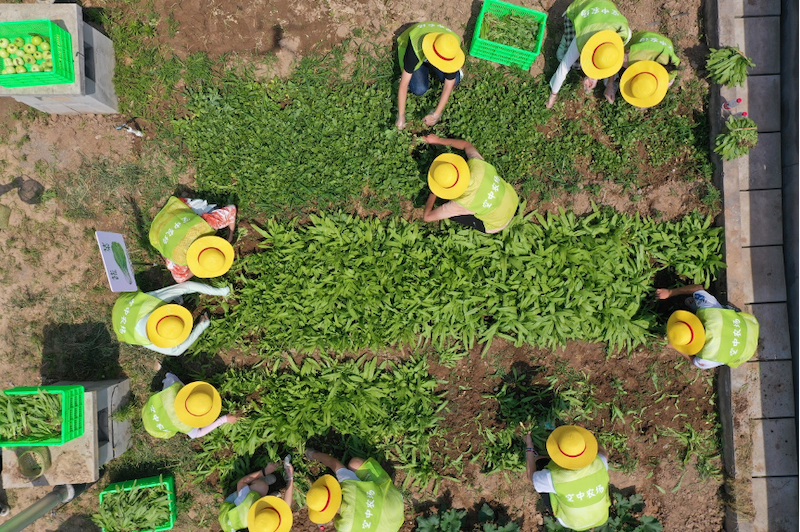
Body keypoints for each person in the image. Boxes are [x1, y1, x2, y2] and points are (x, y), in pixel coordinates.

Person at [421, 135, 519, 233]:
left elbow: (427, 217)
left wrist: (434, 192)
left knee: (453, 214)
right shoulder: (477, 165)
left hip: (498, 223)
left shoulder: (460, 204)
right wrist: (438, 140)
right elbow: (466, 145)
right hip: (512, 197)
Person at [546, 0, 631, 108]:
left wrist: (595, 77)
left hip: (602, 6)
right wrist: (553, 96)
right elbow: (563, 67)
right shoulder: (583, 38)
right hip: (579, 8)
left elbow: (607, 58)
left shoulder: (624, 33)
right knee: (576, 64)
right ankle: (564, 41)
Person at [525, 425, 610, 531]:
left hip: (571, 522)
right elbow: (604, 453)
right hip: (601, 517)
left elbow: (531, 476)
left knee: (540, 463)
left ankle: (539, 457)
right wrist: (590, 441)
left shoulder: (553, 477)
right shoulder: (600, 463)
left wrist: (529, 446)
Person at [111, 281, 230, 356]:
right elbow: (176, 351)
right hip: (123, 319)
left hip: (125, 302)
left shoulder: (151, 301)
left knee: (159, 294)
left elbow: (177, 351)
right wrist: (200, 327)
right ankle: (174, 298)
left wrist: (221, 291)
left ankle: (175, 298)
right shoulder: (146, 339)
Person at [656, 284, 759, 369]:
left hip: (745, 354)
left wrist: (676, 347)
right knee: (719, 309)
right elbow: (698, 288)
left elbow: (695, 362)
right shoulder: (710, 312)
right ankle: (698, 303)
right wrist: (670, 292)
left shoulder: (706, 356)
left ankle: (698, 304)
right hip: (750, 326)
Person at [304, 448, 404, 532]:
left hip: (391, 528)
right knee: (355, 463)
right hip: (396, 504)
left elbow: (339, 520)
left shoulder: (344, 527)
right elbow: (333, 463)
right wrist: (312, 454)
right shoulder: (349, 486)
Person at [150, 196, 236, 283]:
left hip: (175, 212)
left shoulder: (206, 226)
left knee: (205, 210)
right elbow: (179, 279)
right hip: (157, 231)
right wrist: (197, 268)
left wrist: (230, 238)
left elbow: (232, 210)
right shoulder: (180, 260)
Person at [395, 22, 465, 129]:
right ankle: (422, 64)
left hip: (437, 51)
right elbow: (403, 85)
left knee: (455, 80)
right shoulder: (415, 47)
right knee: (419, 89)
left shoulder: (451, 47)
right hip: (416, 49)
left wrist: (436, 114)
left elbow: (448, 85)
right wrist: (401, 116)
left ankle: (437, 66)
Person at [142, 374, 238, 439]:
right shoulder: (185, 426)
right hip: (156, 431)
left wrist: (224, 419)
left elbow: (170, 376)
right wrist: (224, 419)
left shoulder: (172, 390)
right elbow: (197, 434)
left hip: (147, 411)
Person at [218, 460, 294, 532]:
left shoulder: (246, 504)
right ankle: (267, 498)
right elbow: (286, 505)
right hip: (241, 520)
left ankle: (262, 482)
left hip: (230, 509)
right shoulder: (261, 525)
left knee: (261, 487)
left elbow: (242, 482)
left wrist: (265, 471)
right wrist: (290, 478)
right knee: (263, 488)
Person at [613, 31, 680, 107]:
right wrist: (610, 84)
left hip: (666, 42)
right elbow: (614, 60)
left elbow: (669, 83)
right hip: (645, 36)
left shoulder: (670, 72)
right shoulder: (631, 58)